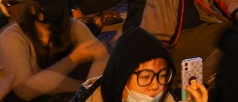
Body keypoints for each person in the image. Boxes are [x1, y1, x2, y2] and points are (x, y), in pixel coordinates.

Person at [0, 0, 108, 102]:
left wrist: (90, 91)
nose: (59, 9)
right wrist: (72, 61)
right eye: (52, 4)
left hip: (54, 91)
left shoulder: (70, 24)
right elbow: (25, 90)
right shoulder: (12, 37)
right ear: (33, 9)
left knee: (90, 62)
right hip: (16, 96)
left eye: (60, 1)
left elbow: (100, 55)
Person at [74, 28, 208, 102]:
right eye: (145, 77)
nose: (156, 86)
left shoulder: (166, 97)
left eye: (162, 76)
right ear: (121, 77)